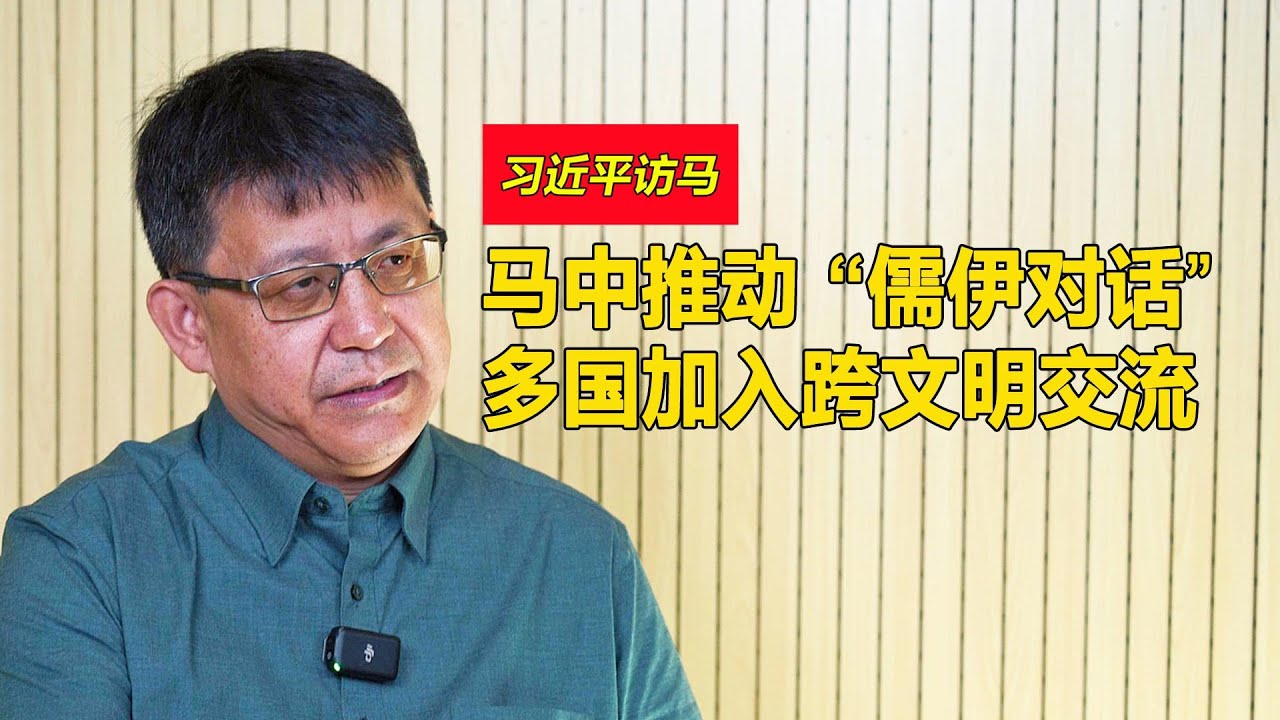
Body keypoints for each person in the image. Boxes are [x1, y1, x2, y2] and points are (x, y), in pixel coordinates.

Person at [0, 48, 700, 720]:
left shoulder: (579, 553)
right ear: (188, 324)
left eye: (396, 261)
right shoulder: (83, 558)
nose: (368, 329)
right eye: (302, 284)